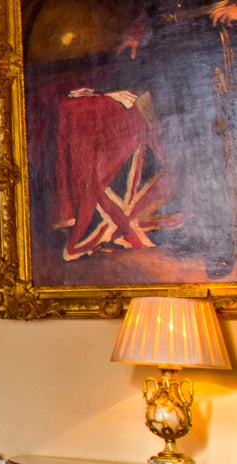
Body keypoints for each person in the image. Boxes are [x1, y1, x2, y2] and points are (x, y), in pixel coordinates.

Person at [112, 0, 237, 276]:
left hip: (206, 41)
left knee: (209, 147)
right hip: (164, 49)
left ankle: (220, 244)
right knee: (178, 146)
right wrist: (136, 34)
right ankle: (196, 234)